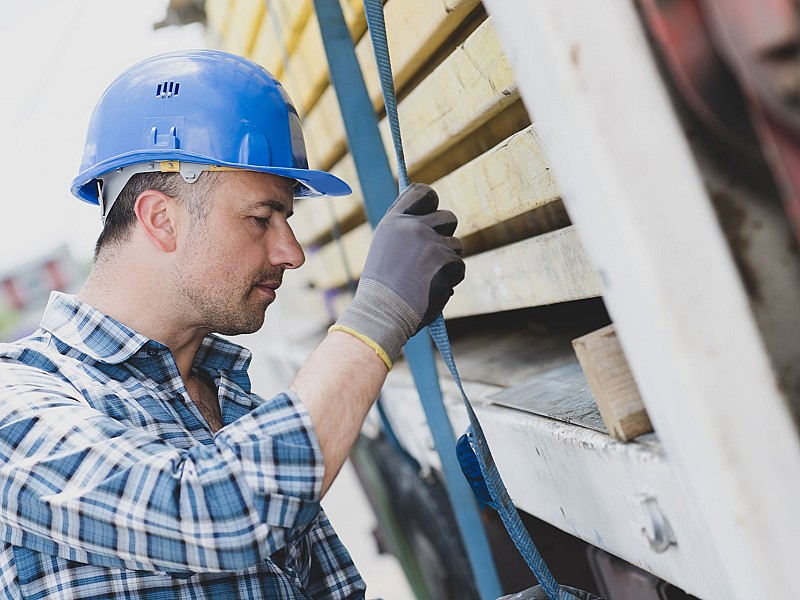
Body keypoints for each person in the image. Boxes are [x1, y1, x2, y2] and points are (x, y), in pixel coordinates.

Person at [0, 49, 465, 598]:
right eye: (261, 218)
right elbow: (213, 511)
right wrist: (375, 320)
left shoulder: (236, 407)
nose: (291, 253)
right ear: (160, 218)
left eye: (287, 220)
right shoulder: (19, 400)